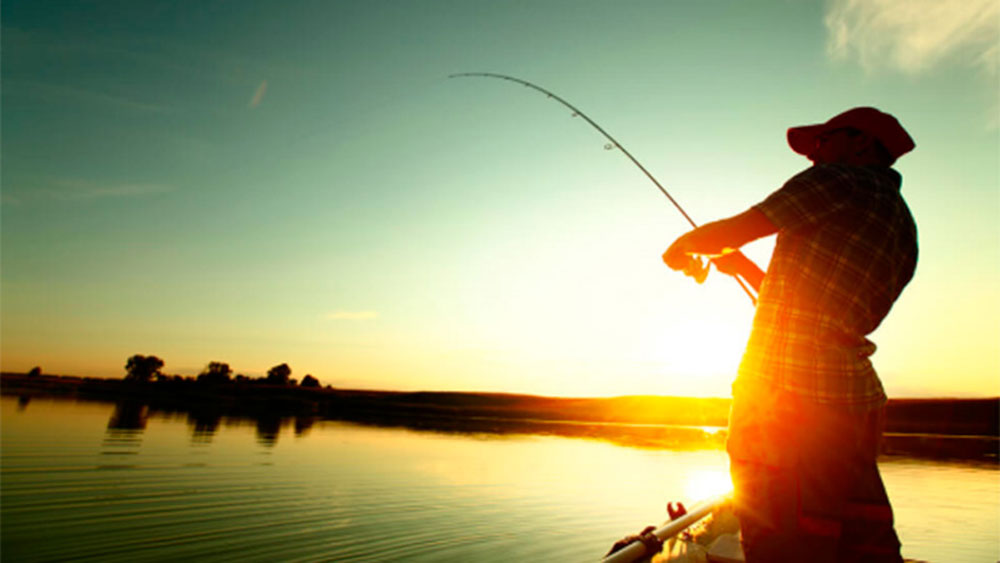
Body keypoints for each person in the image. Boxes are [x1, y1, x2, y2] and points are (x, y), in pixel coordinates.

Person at [663, 107, 917, 563]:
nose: (814, 156)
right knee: (853, 531)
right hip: (854, 399)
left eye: (823, 142)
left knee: (774, 530)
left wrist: (683, 245)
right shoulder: (902, 223)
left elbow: (743, 226)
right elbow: (817, 311)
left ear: (860, 143)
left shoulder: (838, 180)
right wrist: (740, 265)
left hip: (785, 393)